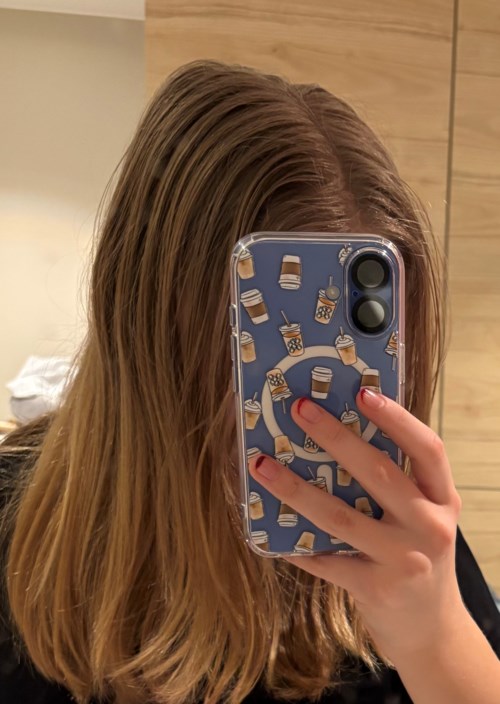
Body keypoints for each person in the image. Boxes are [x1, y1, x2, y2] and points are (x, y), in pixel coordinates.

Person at [1, 59, 499, 704]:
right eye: (252, 357)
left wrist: (435, 640)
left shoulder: (401, 537)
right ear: (150, 336)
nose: (303, 409)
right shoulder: (16, 523)